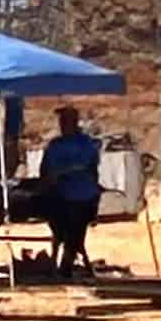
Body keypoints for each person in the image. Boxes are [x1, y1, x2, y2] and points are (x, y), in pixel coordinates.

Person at [37, 105, 105, 275]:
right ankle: (68, 252)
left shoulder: (81, 144)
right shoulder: (61, 145)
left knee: (69, 219)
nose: (62, 125)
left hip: (77, 198)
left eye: (65, 121)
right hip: (73, 198)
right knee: (66, 220)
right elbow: (45, 172)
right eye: (62, 121)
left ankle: (68, 254)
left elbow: (91, 168)